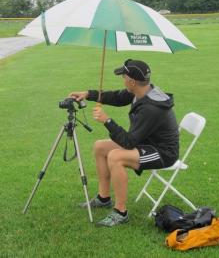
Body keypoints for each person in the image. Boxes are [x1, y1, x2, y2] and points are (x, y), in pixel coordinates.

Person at [69, 59, 179, 227]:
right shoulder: (141, 91)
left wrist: (107, 121)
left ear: (133, 82)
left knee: (115, 156)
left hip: (162, 152)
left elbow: (128, 142)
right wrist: (88, 94)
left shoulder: (151, 108)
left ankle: (121, 212)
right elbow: (117, 97)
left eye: (124, 77)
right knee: (100, 146)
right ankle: (103, 198)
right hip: (145, 143)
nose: (123, 80)